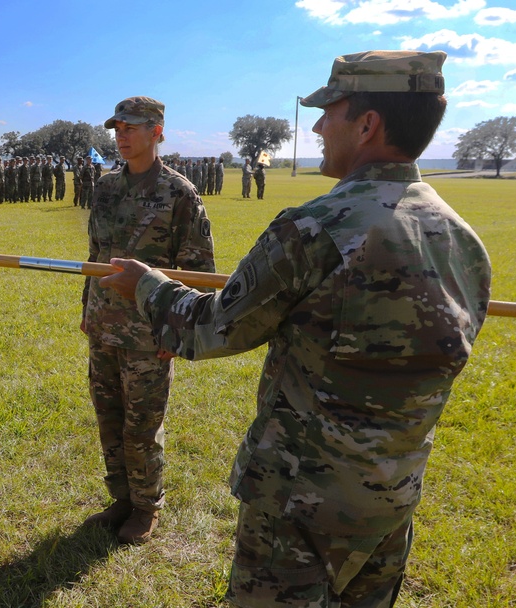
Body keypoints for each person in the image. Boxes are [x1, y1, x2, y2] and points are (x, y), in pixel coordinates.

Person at [99, 51, 491, 606]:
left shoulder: (315, 228)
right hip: (389, 500)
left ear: (366, 124)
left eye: (327, 111)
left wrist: (147, 285)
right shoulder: (462, 240)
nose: (316, 126)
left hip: (301, 503)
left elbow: (211, 328)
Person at [81, 96, 215, 545]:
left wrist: (175, 330)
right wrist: (88, 310)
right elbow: (96, 256)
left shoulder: (179, 193)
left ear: (158, 130)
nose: (121, 136)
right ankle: (121, 498)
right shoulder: (104, 187)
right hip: (104, 325)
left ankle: (145, 507)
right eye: (117, 128)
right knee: (109, 418)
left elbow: (197, 269)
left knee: (142, 425)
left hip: (148, 331)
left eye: (132, 128)